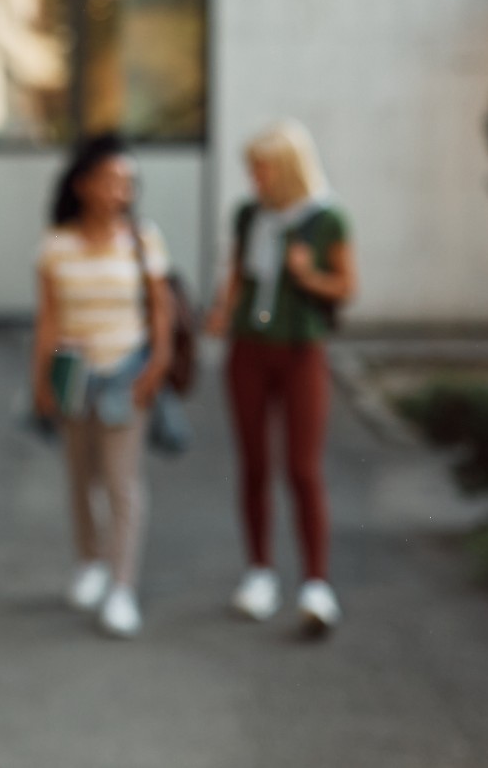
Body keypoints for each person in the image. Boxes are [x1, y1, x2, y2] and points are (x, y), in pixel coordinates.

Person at [204, 119, 356, 635]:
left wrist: (307, 274)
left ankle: (316, 583)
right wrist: (222, 311)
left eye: (262, 169)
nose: (255, 178)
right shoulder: (249, 215)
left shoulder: (326, 219)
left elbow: (345, 286)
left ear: (288, 169)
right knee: (253, 463)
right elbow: (236, 275)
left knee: (302, 467)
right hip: (249, 348)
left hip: (300, 350)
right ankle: (259, 574)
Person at [30, 134, 172, 638]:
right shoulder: (57, 244)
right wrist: (40, 380)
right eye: (112, 179)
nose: (122, 190)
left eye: (129, 181)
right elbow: (48, 318)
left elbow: (161, 309)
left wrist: (157, 367)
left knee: (122, 484)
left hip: (124, 375)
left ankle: (122, 587)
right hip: (73, 376)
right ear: (85, 185)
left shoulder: (142, 239)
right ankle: (90, 561)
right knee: (80, 476)